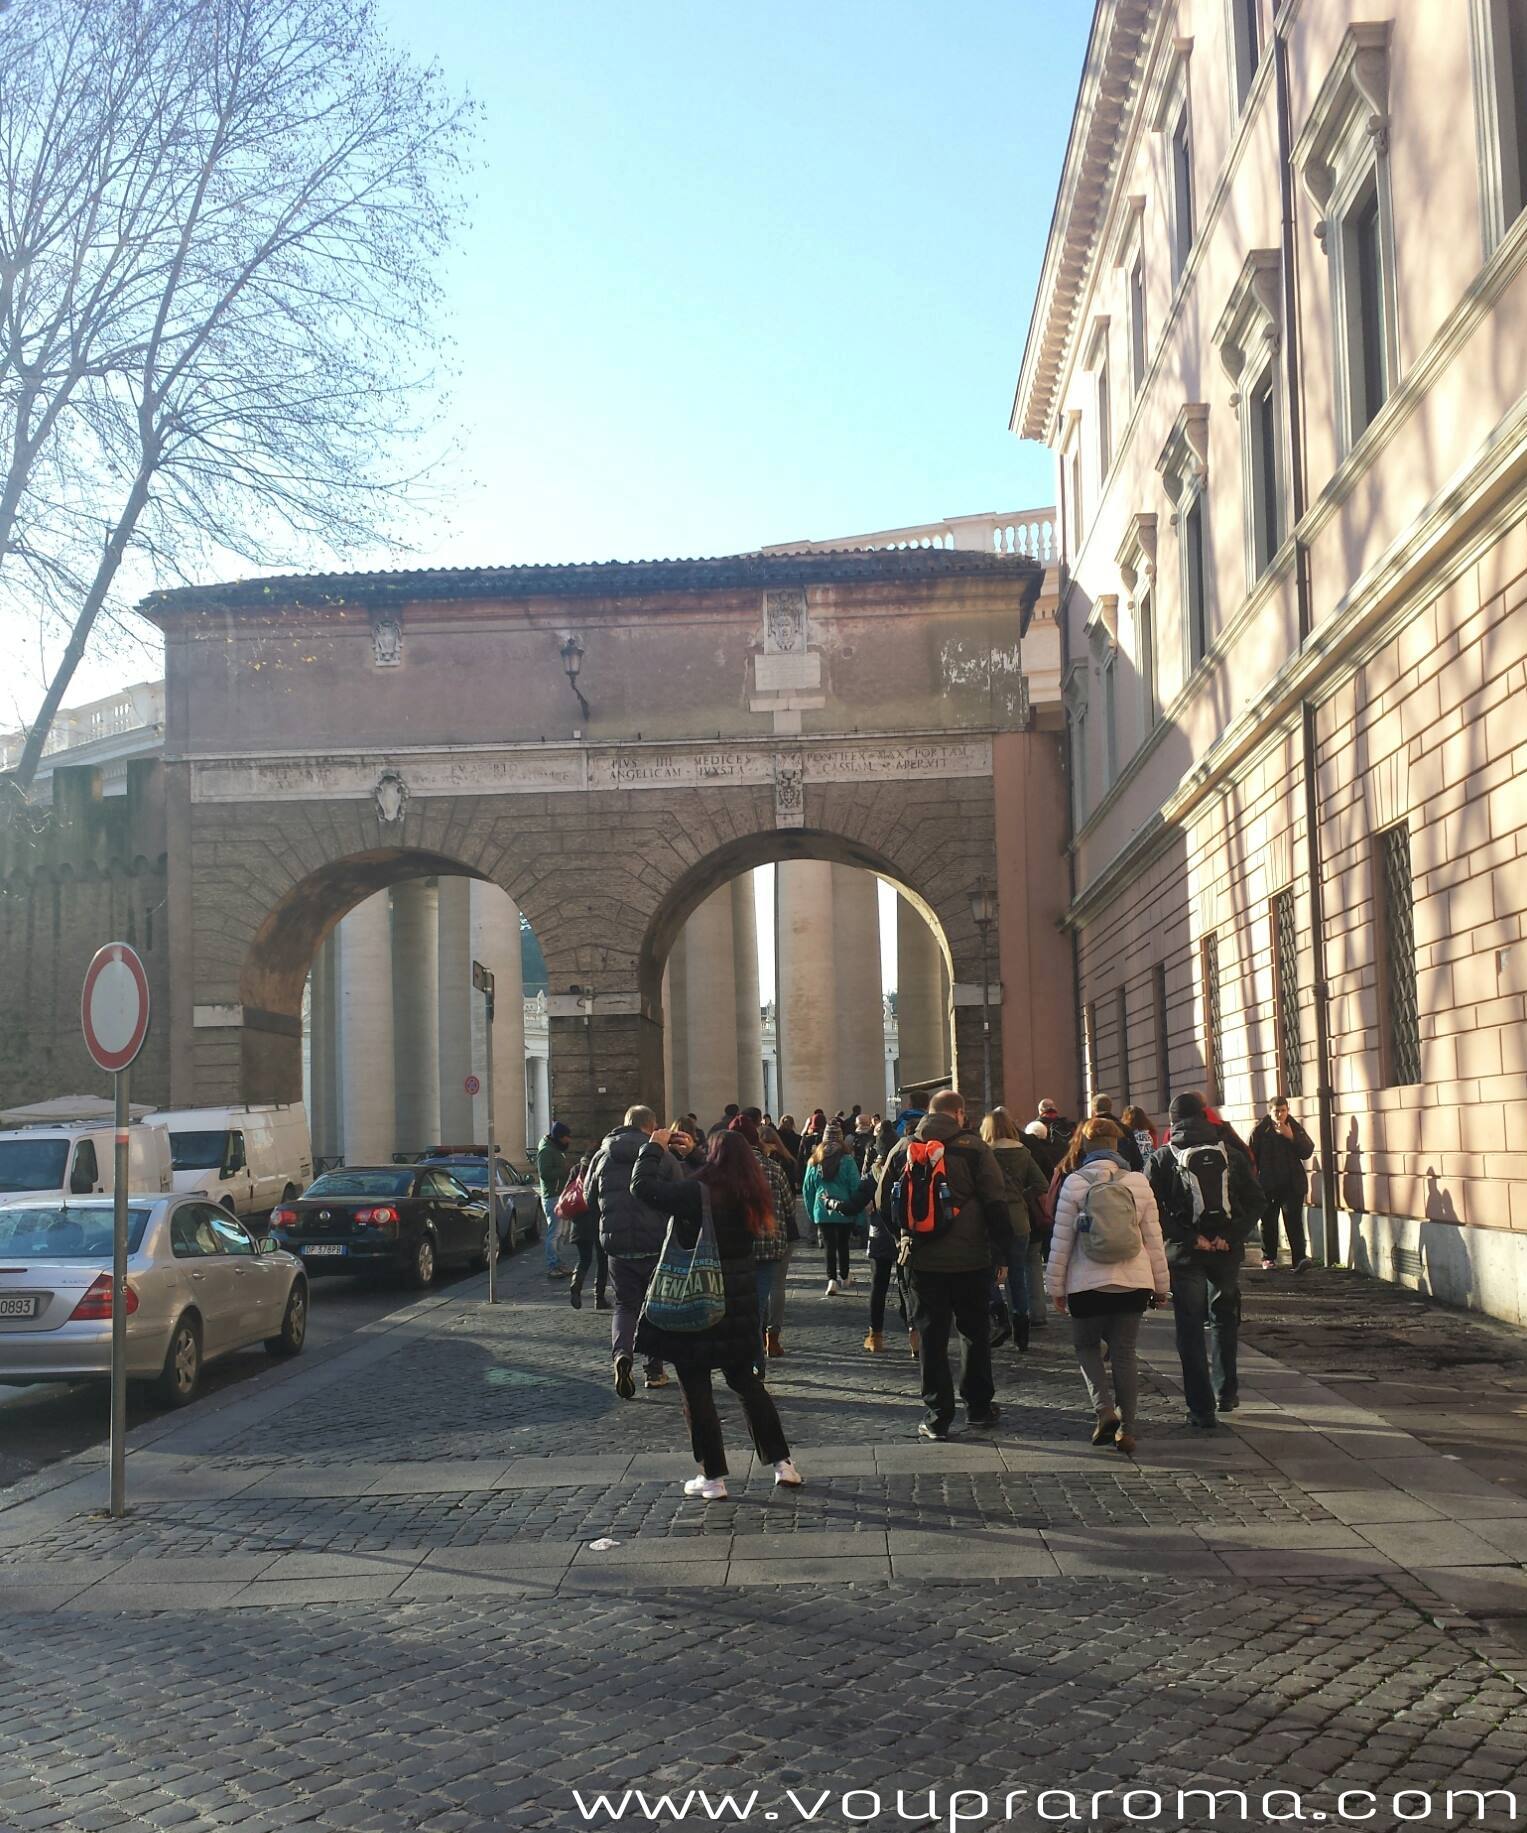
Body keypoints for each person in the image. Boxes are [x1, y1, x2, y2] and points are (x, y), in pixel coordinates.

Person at [632, 1128, 802, 1500]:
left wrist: (654, 1148)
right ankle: (782, 1463)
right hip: (738, 1304)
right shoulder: (750, 1192)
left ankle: (713, 1477)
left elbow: (644, 1189)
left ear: (715, 1158)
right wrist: (693, 1155)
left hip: (700, 1299)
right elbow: (709, 1178)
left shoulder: (698, 1195)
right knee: (746, 1383)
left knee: (696, 1389)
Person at [876, 1088, 1013, 1441]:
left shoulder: (903, 1148)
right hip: (970, 1260)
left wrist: (906, 1237)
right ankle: (979, 1406)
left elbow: (881, 1204)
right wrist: (1000, 1253)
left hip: (921, 1261)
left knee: (931, 1337)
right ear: (960, 1114)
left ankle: (938, 1415)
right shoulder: (974, 1149)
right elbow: (997, 1203)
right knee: (974, 1332)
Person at [1046, 1119, 1169, 1455]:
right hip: (1133, 1283)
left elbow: (1061, 1242)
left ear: (1085, 1147)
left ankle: (1104, 1411)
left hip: (1086, 1284)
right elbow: (1154, 1241)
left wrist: (1056, 1287)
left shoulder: (1074, 1183)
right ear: (1117, 1147)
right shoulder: (1138, 1182)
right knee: (1125, 1353)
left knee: (1086, 1347)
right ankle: (1128, 1429)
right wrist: (1161, 1287)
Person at [1148, 1092, 1263, 1428]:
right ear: (1204, 1116)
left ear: (1172, 1121)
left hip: (1186, 1255)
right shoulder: (1231, 1154)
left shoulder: (1162, 1158)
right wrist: (1231, 1235)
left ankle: (1201, 1409)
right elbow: (1258, 1201)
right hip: (1226, 1252)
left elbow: (1151, 1208)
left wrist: (1189, 1238)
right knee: (1225, 1319)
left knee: (1190, 1328)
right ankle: (1226, 1391)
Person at [586, 1105, 680, 1397]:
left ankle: (621, 1355)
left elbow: (589, 1196)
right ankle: (654, 1370)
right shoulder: (661, 1154)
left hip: (617, 1245)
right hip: (654, 1243)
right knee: (654, 1306)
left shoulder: (603, 1155)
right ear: (651, 1127)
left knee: (625, 1306)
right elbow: (680, 1191)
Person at [979, 1108, 1048, 1351]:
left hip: (991, 1221)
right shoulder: (1023, 1152)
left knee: (986, 1271)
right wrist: (1021, 1195)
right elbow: (1042, 1184)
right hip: (1019, 1220)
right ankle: (1022, 1332)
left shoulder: (985, 1153)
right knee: (1018, 1275)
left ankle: (999, 1315)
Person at [729, 1112, 792, 1358]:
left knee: (743, 1303)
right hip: (770, 1245)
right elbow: (788, 1205)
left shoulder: (726, 1171)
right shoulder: (773, 1168)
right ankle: (759, 1356)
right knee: (762, 1297)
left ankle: (749, 1355)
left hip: (737, 1246)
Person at [1250, 1097, 1316, 1271]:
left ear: (1288, 1110)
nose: (1280, 1114)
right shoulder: (1260, 1130)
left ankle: (1299, 1259)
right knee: (1269, 1222)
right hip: (1268, 1184)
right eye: (1276, 1111)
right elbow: (1250, 1157)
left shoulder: (1294, 1126)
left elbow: (1307, 1150)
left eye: (1283, 1111)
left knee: (1294, 1221)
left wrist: (1292, 1137)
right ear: (1270, 1111)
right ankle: (1269, 1257)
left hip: (1292, 1184)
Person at [803, 1118, 861, 1295]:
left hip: (822, 1209)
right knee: (843, 1244)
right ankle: (844, 1276)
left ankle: (831, 1280)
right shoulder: (847, 1160)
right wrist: (855, 1209)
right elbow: (855, 1186)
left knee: (829, 1246)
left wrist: (812, 1212)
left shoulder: (815, 1160)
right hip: (843, 1208)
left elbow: (808, 1188)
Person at [758, 1121, 800, 1356]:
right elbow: (789, 1205)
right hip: (779, 1234)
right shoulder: (781, 1165)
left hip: (752, 1235)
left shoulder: (746, 1168)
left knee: (755, 1286)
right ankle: (772, 1337)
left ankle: (757, 1333)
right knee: (777, 1285)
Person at [565, 1154, 608, 1311]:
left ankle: (576, 1283)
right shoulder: (603, 1167)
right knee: (602, 1260)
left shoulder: (577, 1169)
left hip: (579, 1222)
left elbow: (567, 1193)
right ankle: (599, 1298)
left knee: (584, 1259)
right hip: (598, 1220)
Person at [536, 1121, 575, 1280]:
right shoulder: (546, 1151)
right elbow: (545, 1174)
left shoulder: (556, 1150)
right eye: (566, 1137)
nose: (569, 1140)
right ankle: (553, 1264)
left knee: (563, 1232)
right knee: (555, 1233)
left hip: (561, 1195)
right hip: (552, 1196)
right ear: (559, 1137)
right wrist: (564, 1170)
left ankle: (559, 1262)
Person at [1090, 1095, 1144, 1171]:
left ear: (1093, 1108)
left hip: (1090, 1178)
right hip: (1120, 1177)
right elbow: (1137, 1162)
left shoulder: (1085, 1129)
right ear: (1110, 1107)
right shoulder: (1124, 1129)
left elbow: (1073, 1158)